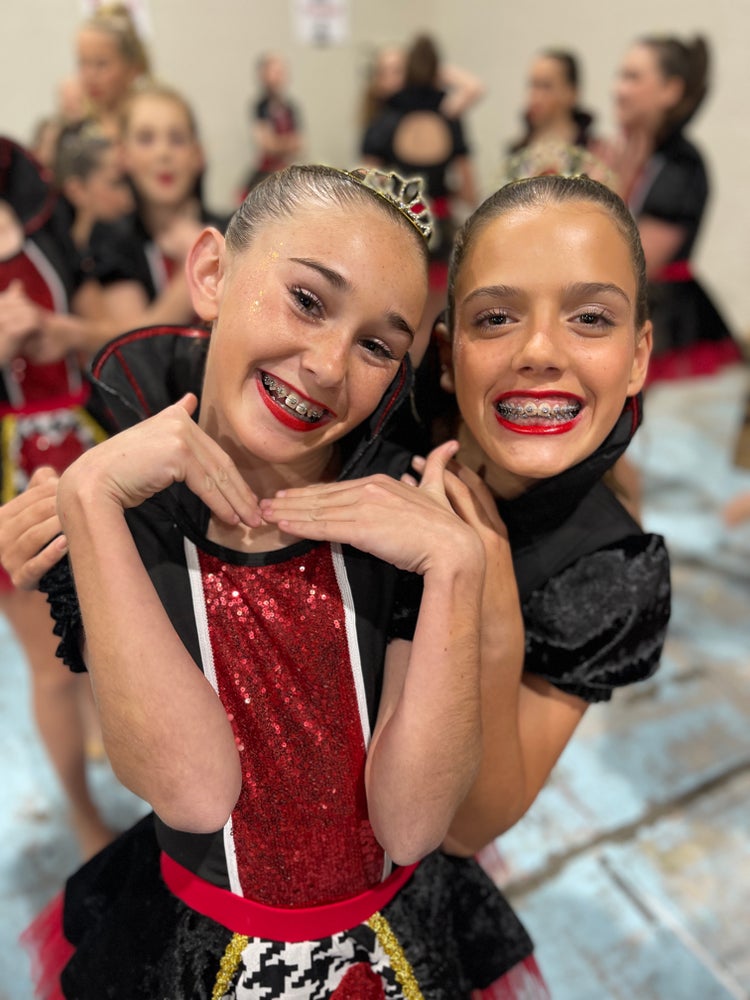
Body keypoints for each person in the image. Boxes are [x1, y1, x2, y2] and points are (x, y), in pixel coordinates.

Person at [14, 164, 548, 999]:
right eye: (306, 299)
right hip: (193, 955)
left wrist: (455, 567)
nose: (330, 365)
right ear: (212, 273)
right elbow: (193, 793)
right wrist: (87, 498)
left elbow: (410, 826)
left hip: (393, 952)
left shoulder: (402, 524)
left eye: (378, 344)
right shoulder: (125, 520)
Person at [398, 173, 669, 994]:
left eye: (590, 318)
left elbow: (472, 822)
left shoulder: (608, 577)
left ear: (637, 358)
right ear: (447, 356)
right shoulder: (373, 432)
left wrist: (486, 603)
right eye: (496, 317)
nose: (540, 349)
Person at [0, 136, 114, 860]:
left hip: (85, 446)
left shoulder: (43, 218)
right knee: (50, 666)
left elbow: (112, 329)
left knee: (116, 635)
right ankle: (81, 816)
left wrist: (62, 334)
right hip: (8, 472)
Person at [607, 34, 743, 383]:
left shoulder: (682, 164)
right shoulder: (633, 156)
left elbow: (637, 262)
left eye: (633, 77)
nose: (618, 89)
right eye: (620, 76)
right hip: (633, 314)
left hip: (671, 326)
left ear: (671, 90)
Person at [361, 34, 480, 364]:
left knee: (395, 317)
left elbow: (366, 184)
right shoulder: (449, 115)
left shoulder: (386, 118)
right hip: (439, 226)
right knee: (432, 321)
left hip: (398, 227)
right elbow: (470, 190)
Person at [74, 2, 151, 141]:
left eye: (101, 64)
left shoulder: (151, 132)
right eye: (83, 63)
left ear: (133, 69)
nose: (91, 76)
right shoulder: (76, 133)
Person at [240, 52, 304, 197]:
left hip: (288, 168)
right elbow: (266, 145)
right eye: (274, 72)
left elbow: (299, 144)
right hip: (266, 170)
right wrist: (285, 144)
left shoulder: (290, 107)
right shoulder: (260, 107)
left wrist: (278, 144)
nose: (279, 77)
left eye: (281, 72)